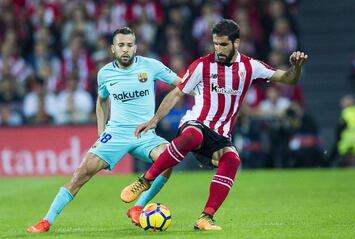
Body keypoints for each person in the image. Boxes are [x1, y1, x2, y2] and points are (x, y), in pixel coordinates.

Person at [120, 19, 308, 230]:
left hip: (220, 135)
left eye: (223, 44)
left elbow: (288, 79)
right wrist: (154, 120)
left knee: (232, 159)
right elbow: (176, 94)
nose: (218, 49)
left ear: (236, 43)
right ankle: (145, 180)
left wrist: (296, 67)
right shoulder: (202, 65)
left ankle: (205, 217)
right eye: (215, 44)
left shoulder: (250, 66)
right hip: (196, 123)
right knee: (194, 136)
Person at [27, 27, 181, 233]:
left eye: (129, 45)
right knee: (82, 172)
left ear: (135, 47)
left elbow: (181, 85)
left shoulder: (151, 66)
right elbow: (102, 100)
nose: (125, 49)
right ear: (112, 49)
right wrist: (102, 130)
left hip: (145, 134)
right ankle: (46, 221)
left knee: (168, 160)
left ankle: (137, 207)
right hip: (116, 133)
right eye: (121, 45)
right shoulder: (105, 73)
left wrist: (155, 119)